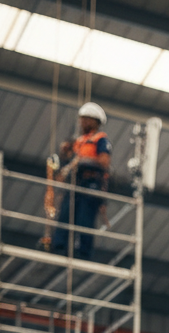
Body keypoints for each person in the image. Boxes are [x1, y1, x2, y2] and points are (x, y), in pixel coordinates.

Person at [51, 102, 110, 261]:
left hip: (90, 184)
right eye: (82, 119)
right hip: (75, 183)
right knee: (65, 214)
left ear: (94, 122)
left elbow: (104, 163)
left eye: (86, 119)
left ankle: (84, 251)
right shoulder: (79, 142)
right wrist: (66, 153)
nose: (82, 123)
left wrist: (84, 162)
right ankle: (59, 245)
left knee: (85, 218)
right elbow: (69, 161)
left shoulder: (100, 139)